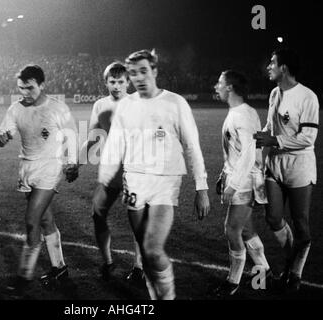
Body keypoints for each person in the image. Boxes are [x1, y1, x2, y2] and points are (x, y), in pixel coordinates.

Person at [99, 49, 210, 300]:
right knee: (145, 252)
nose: (138, 77)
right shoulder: (126, 106)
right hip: (134, 181)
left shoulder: (175, 103)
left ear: (155, 71)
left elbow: (192, 146)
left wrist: (201, 188)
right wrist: (105, 177)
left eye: (143, 71)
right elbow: (115, 144)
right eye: (133, 73)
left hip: (165, 182)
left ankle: (167, 297)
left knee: (152, 248)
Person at [0, 65, 79, 297]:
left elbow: (71, 135)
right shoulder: (15, 109)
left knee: (31, 221)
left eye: (29, 87)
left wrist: (72, 162)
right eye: (21, 88)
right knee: (46, 220)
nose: (25, 92)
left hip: (50, 167)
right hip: (26, 169)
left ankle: (23, 277)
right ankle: (59, 268)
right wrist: (0, 139)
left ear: (42, 85)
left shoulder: (57, 108)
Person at [254, 48, 319, 292]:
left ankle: (295, 271)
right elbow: (271, 125)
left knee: (301, 223)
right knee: (273, 218)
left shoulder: (308, 97)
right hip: (275, 165)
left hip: (299, 166)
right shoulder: (274, 93)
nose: (268, 66)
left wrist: (275, 141)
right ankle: (293, 262)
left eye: (272, 63)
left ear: (284, 68)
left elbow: (308, 138)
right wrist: (262, 136)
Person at [213, 70, 272, 297]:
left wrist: (233, 185)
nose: (216, 86)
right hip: (242, 177)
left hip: (245, 181)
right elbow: (237, 152)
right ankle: (263, 271)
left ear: (230, 87)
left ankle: (232, 281)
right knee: (246, 230)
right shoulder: (239, 112)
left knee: (231, 229)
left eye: (220, 83)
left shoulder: (243, 115)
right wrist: (223, 174)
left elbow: (248, 154)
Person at [85, 62, 144, 282]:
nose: (117, 86)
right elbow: (93, 138)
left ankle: (138, 267)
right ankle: (108, 262)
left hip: (134, 172)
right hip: (109, 171)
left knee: (136, 222)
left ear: (128, 82)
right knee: (97, 214)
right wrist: (77, 164)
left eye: (121, 82)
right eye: (112, 82)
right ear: (106, 82)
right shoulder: (100, 105)